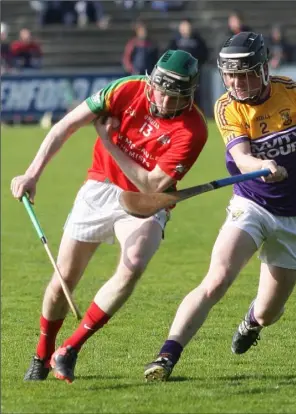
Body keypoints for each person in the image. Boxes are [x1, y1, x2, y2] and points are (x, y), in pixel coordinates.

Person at [144, 32, 296, 382]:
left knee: (270, 312)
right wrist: (261, 166)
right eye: (231, 75)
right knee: (215, 281)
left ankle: (252, 321)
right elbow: (241, 156)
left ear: (264, 68)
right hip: (251, 204)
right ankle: (166, 355)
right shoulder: (227, 105)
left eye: (246, 74)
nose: (238, 83)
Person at [11, 49, 208, 383]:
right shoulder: (125, 89)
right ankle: (42, 353)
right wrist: (32, 174)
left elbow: (149, 185)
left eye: (170, 94)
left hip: (145, 202)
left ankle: (70, 349)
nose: (160, 97)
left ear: (187, 96)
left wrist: (107, 140)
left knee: (132, 266)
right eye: (158, 87)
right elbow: (66, 126)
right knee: (62, 284)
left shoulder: (192, 131)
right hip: (99, 188)